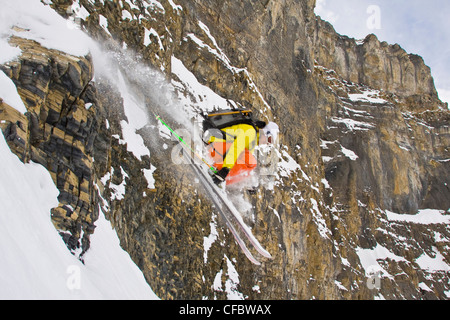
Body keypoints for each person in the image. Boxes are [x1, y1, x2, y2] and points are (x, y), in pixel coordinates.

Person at [202, 109, 279, 185]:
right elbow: (236, 148)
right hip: (215, 144)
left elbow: (240, 165)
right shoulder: (251, 132)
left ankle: (223, 181)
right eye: (269, 139)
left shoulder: (253, 142)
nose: (266, 143)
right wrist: (225, 169)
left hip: (219, 149)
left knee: (249, 166)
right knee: (251, 162)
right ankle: (216, 171)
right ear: (265, 132)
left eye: (270, 143)